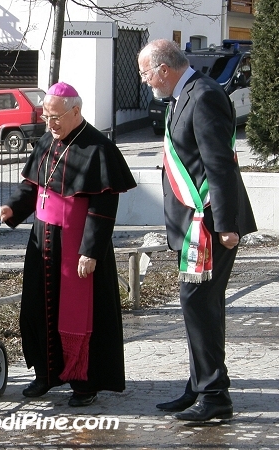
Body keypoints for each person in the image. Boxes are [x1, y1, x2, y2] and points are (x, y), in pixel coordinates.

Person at [0, 82, 136, 407]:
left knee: (81, 314)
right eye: (46, 116)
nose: (50, 124)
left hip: (77, 245)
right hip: (42, 240)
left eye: (55, 117)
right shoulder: (48, 140)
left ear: (76, 111)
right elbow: (33, 188)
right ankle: (45, 374)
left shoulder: (98, 148)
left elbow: (103, 206)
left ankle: (83, 384)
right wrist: (12, 208)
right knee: (37, 307)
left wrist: (91, 249)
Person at [138, 39, 257, 421]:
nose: (144, 81)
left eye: (145, 73)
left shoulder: (203, 95)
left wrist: (225, 225)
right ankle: (200, 385)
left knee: (199, 304)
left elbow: (220, 164)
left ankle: (215, 397)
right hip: (193, 223)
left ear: (163, 69)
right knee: (199, 306)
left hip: (209, 224)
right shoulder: (184, 93)